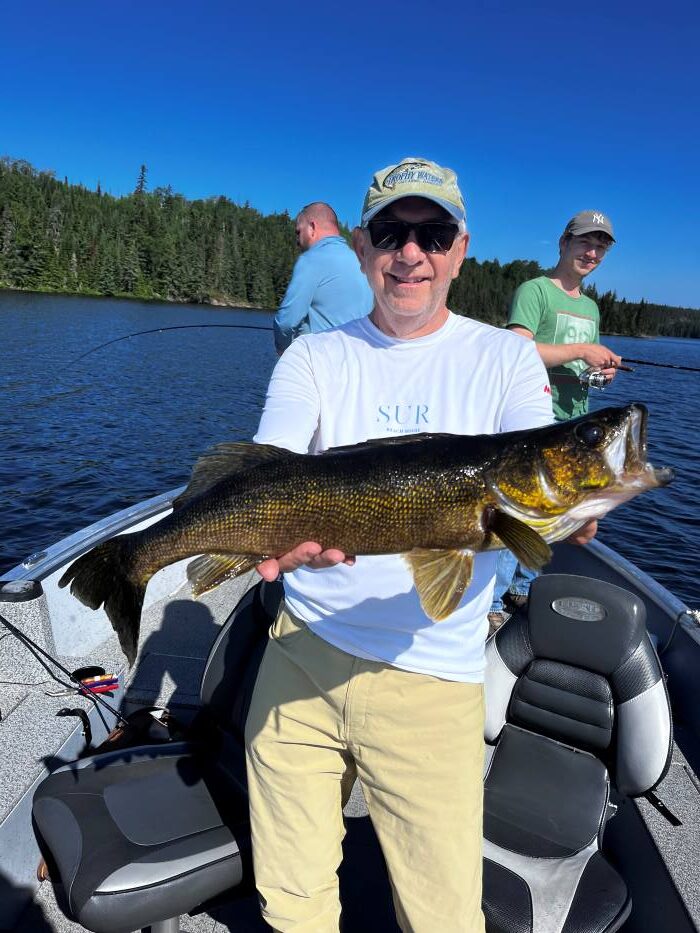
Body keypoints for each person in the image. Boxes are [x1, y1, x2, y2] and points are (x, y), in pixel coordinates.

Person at [244, 156, 595, 933]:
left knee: (442, 918)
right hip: (300, 652)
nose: (412, 254)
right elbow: (272, 462)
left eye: (431, 233)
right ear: (365, 247)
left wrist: (570, 509)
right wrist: (274, 536)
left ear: (460, 249)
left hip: (433, 676)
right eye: (393, 233)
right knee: (291, 904)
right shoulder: (313, 355)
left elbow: (531, 488)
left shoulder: (504, 358)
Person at [488, 210, 621, 633]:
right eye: (585, 242)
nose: (592, 251)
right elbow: (517, 349)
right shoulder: (536, 291)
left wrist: (600, 372)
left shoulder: (591, 307)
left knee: (558, 512)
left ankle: (523, 587)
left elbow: (580, 372)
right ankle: (490, 602)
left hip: (574, 427)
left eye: (600, 246)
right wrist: (583, 350)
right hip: (534, 424)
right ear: (563, 243)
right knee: (524, 511)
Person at [274, 201, 373, 353]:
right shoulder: (360, 262)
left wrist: (284, 352)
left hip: (324, 367)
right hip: (359, 364)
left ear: (312, 227)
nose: (297, 241)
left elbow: (286, 323)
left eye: (298, 232)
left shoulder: (311, 260)